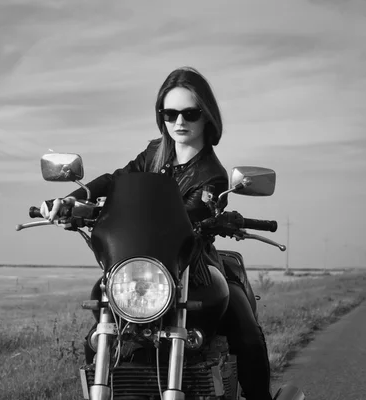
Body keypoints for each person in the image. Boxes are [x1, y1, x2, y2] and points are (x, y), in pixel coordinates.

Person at [40, 66, 273, 400]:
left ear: (207, 116)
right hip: (142, 267)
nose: (179, 122)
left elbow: (188, 216)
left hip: (193, 268)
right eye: (169, 113)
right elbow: (116, 180)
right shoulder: (153, 153)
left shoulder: (213, 176)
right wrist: (73, 201)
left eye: (189, 113)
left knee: (244, 326)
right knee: (99, 327)